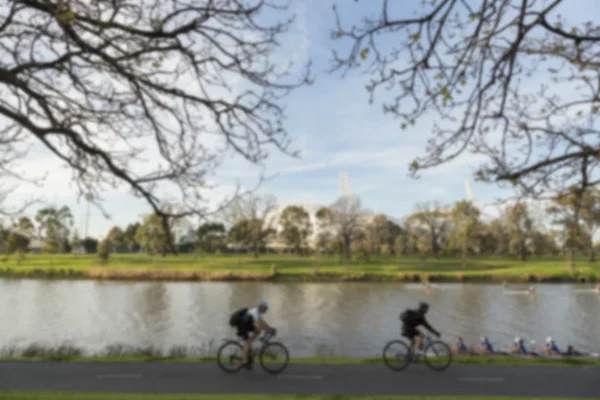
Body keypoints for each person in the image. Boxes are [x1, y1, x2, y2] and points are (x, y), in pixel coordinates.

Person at [228, 300, 274, 369]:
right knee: (248, 343)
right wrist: (269, 330)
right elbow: (260, 323)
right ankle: (244, 361)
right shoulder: (255, 312)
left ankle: (249, 344)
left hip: (245, 325)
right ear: (262, 308)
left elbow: (262, 322)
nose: (266, 310)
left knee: (258, 331)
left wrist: (269, 328)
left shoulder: (257, 312)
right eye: (266, 309)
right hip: (241, 326)